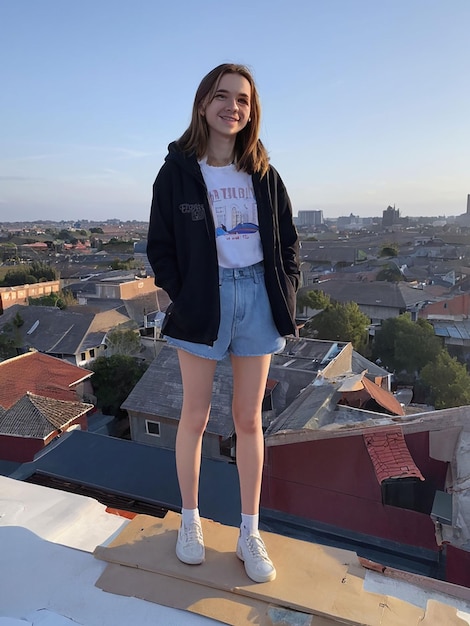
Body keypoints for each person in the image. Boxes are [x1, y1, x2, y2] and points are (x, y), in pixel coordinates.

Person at [146, 63, 300, 583]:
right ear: (203, 103)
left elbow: (289, 244)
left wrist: (287, 290)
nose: (233, 107)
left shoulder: (262, 173)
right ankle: (190, 521)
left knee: (249, 420)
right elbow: (160, 247)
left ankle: (248, 532)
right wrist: (183, 296)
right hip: (202, 304)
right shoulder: (177, 172)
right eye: (222, 96)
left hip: (257, 297)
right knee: (194, 417)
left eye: (243, 100)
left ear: (251, 112)